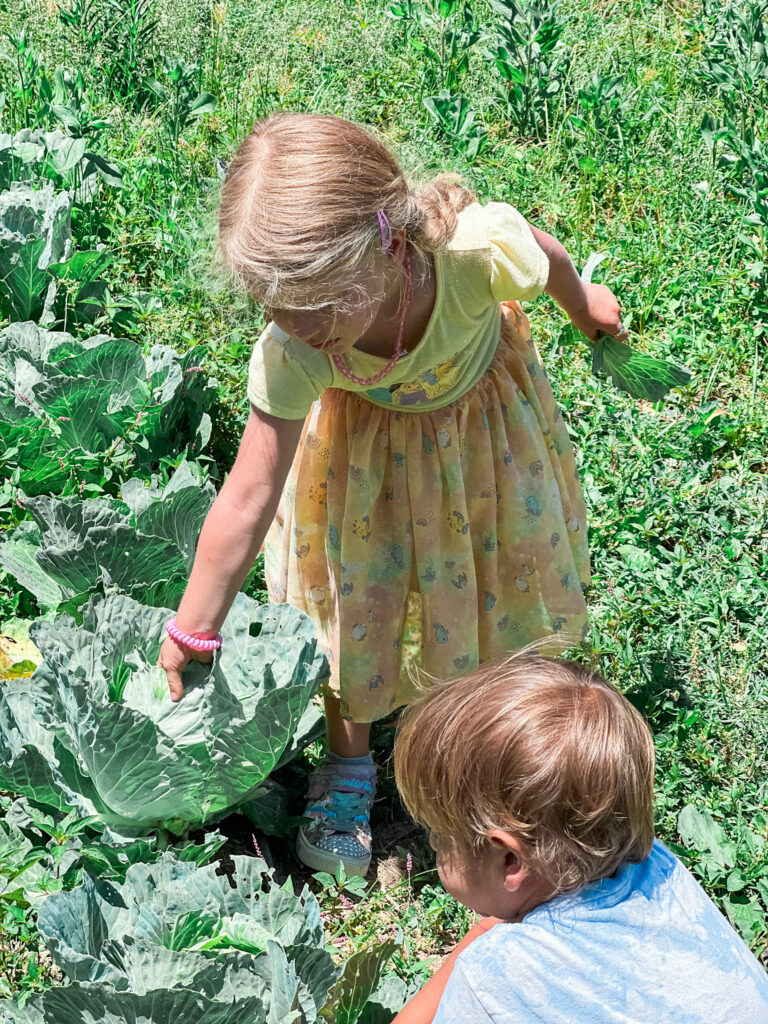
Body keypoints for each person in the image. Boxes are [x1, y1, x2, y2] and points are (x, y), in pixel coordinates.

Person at [157, 112, 625, 876]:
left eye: (312, 306)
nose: (293, 328)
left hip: (482, 457)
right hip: (362, 479)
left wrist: (585, 305)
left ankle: (484, 726)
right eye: (272, 308)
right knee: (357, 607)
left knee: (496, 581)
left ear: (388, 246)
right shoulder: (295, 350)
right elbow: (246, 495)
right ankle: (348, 765)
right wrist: (194, 627)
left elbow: (548, 256)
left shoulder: (471, 253)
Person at [392, 655, 768, 1023]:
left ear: (510, 860)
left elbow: (481, 978)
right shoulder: (659, 868)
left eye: (438, 835)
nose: (433, 844)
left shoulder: (496, 979)